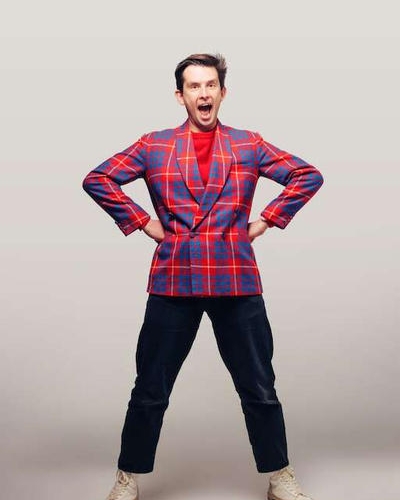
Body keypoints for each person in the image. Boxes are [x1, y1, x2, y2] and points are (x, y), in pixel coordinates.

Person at [82, 53, 324, 500]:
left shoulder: (248, 144)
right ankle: (128, 477)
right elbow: (99, 179)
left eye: (210, 84)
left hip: (235, 276)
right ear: (181, 96)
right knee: (150, 388)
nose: (203, 93)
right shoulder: (154, 145)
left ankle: (280, 475)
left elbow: (306, 175)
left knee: (259, 386)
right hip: (175, 277)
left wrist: (267, 220)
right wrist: (143, 222)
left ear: (222, 92)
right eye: (194, 86)